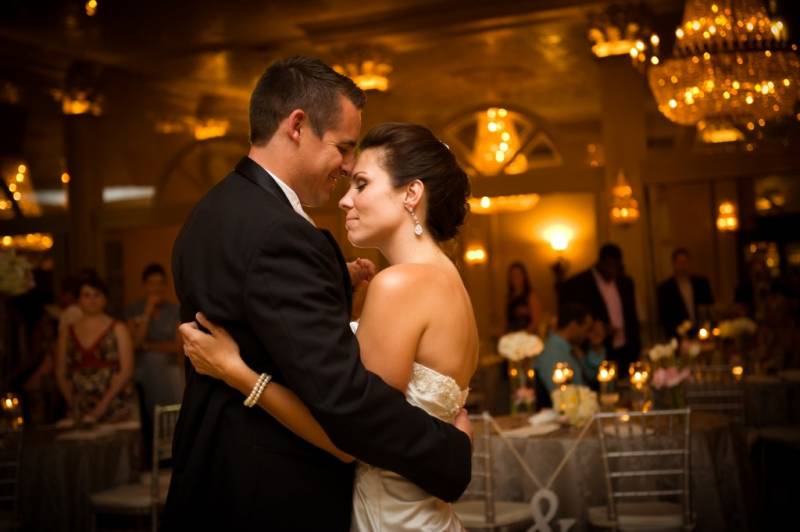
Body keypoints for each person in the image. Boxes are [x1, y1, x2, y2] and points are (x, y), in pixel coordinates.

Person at [165, 58, 473, 532]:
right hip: (269, 494)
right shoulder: (279, 233)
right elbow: (349, 406)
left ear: (411, 195)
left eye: (362, 179)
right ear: (297, 126)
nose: (348, 170)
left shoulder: (211, 213)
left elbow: (274, 321)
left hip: (216, 476)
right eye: (344, 149)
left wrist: (329, 283)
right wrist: (451, 452)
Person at [53, 270, 136, 424]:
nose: (92, 300)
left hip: (115, 404)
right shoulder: (67, 331)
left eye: (97, 295)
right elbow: (60, 372)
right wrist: (74, 403)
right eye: (86, 295)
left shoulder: (118, 328)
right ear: (78, 300)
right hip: (79, 406)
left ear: (105, 299)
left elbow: (126, 370)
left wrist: (103, 405)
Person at [125, 263, 182, 463]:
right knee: (146, 415)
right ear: (144, 285)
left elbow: (177, 347)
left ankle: (171, 455)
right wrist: (148, 313)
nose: (156, 288)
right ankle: (150, 458)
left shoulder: (175, 309)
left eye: (160, 284)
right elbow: (135, 344)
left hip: (169, 372)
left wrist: (148, 346)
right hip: (144, 374)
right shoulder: (134, 309)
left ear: (165, 285)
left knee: (171, 414)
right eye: (151, 284)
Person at [559, 243, 640, 374]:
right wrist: (601, 329)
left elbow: (632, 315)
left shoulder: (626, 282)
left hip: (627, 350)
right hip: (597, 352)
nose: (612, 271)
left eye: (616, 267)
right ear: (600, 262)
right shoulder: (577, 284)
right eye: (609, 266)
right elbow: (572, 320)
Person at [534, 303, 597, 406]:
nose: (588, 335)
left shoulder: (570, 349)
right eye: (587, 330)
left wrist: (596, 348)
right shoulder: (553, 353)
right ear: (573, 326)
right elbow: (560, 396)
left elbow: (592, 376)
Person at [657, 248, 714, 338]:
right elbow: (665, 316)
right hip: (679, 335)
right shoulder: (665, 289)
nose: (683, 266)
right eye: (680, 263)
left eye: (685, 262)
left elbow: (709, 307)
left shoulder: (701, 284)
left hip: (702, 331)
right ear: (674, 264)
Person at [505, 261, 543, 334]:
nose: (515, 278)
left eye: (518, 275)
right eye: (512, 275)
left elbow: (536, 321)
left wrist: (522, 335)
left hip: (528, 337)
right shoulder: (508, 298)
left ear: (524, 276)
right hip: (511, 336)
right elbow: (506, 322)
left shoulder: (531, 296)